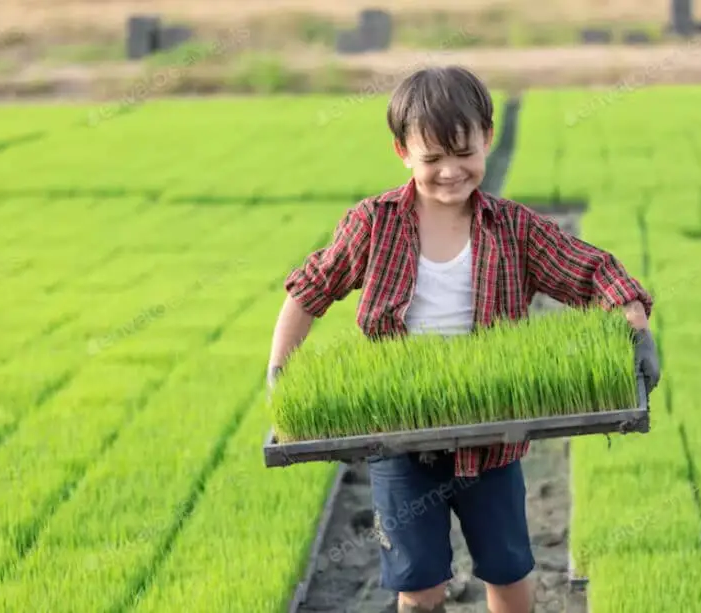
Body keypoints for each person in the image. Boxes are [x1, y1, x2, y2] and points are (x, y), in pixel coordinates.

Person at [266, 65, 660, 613]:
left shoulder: (514, 228)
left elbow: (592, 272)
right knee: (419, 581)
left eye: (464, 153)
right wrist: (279, 372)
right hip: (398, 434)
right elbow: (310, 289)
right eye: (432, 160)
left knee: (507, 565)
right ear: (402, 151)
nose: (450, 172)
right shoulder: (373, 224)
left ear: (487, 139)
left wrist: (637, 326)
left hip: (493, 438)